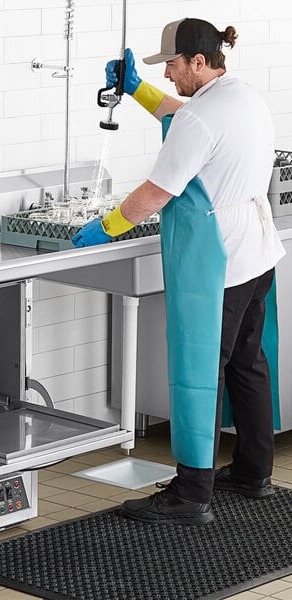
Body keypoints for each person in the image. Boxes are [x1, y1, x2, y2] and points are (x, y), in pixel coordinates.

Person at [73, 18, 286, 525]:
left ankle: (192, 494)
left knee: (198, 375)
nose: (166, 74)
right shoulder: (239, 97)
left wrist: (108, 225)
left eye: (169, 64)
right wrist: (135, 88)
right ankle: (254, 474)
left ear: (197, 60)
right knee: (248, 364)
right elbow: (182, 113)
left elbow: (156, 193)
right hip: (256, 254)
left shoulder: (201, 118)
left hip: (217, 264)